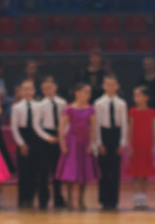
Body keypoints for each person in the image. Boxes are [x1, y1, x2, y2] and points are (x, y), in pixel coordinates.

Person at [55, 83, 99, 211]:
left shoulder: (91, 109)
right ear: (77, 93)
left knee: (84, 171)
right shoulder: (69, 109)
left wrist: (92, 144)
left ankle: (81, 200)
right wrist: (62, 144)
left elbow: (93, 128)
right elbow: (61, 128)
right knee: (70, 172)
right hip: (72, 142)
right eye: (85, 92)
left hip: (84, 142)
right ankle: (69, 199)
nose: (88, 95)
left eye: (89, 92)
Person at [93, 75, 128, 211]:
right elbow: (97, 124)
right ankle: (104, 200)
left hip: (116, 134)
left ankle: (113, 200)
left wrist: (122, 143)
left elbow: (124, 124)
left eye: (113, 84)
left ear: (117, 86)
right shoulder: (99, 103)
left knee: (115, 170)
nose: (110, 87)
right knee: (104, 170)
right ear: (103, 86)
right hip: (104, 134)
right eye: (107, 84)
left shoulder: (121, 103)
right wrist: (99, 143)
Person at [10, 80, 43, 209]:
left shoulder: (38, 106)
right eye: (25, 89)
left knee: (35, 171)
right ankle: (22, 198)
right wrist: (21, 144)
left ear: (34, 91)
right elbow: (14, 127)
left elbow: (39, 125)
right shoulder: (16, 107)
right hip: (23, 137)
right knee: (24, 171)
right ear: (21, 92)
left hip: (36, 137)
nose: (28, 92)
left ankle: (31, 198)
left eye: (30, 89)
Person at [125, 85, 155, 210]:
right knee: (136, 174)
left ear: (146, 97)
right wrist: (130, 146)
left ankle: (143, 199)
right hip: (136, 144)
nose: (136, 98)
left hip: (147, 145)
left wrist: (154, 146)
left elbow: (154, 130)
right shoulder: (133, 111)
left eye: (139, 95)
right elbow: (131, 129)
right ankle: (136, 199)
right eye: (135, 95)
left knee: (145, 174)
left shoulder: (152, 112)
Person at [37, 77, 66, 209]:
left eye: (50, 87)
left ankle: (58, 198)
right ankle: (43, 199)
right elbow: (36, 125)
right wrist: (47, 137)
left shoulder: (62, 103)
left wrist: (62, 136)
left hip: (59, 134)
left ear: (55, 87)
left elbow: (66, 121)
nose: (48, 90)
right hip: (45, 137)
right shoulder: (40, 104)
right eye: (45, 88)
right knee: (43, 170)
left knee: (58, 169)